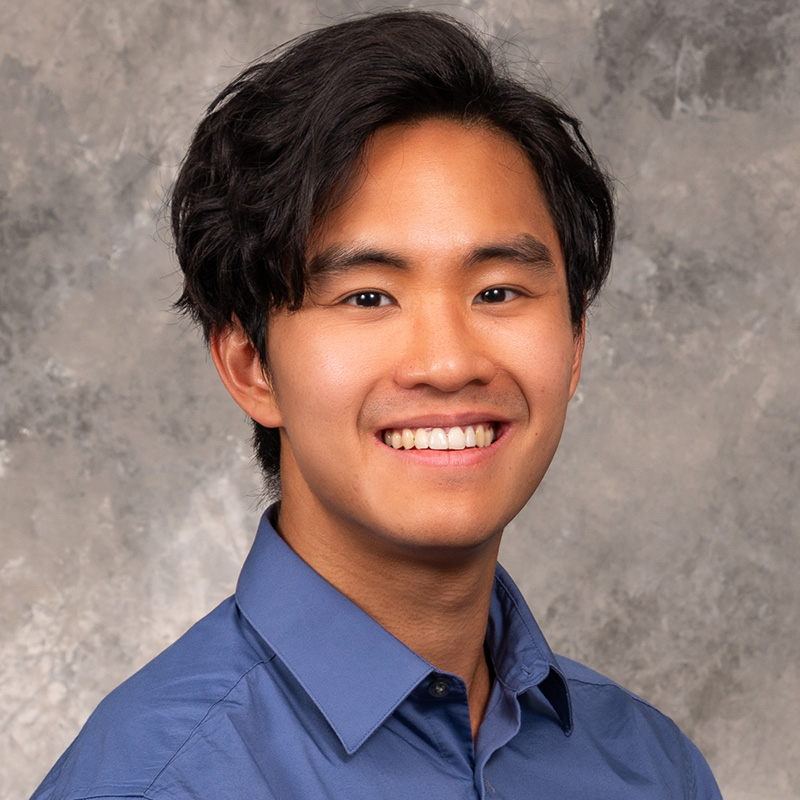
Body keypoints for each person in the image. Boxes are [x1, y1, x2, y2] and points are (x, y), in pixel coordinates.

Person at [31, 10, 722, 799]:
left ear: (574, 345)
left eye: (497, 290)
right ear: (251, 364)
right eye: (368, 296)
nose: (448, 361)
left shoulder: (652, 769)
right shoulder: (156, 781)